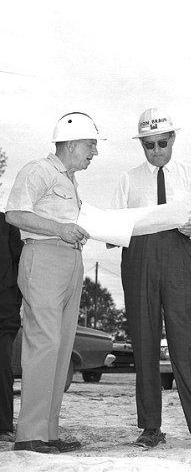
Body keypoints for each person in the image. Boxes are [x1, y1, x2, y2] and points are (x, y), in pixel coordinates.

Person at [110, 108, 191, 448]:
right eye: (148, 145)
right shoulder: (128, 178)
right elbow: (114, 228)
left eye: (161, 143)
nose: (156, 151)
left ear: (173, 138)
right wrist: (107, 229)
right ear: (141, 145)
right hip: (139, 256)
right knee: (143, 340)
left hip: (180, 254)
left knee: (187, 341)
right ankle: (150, 427)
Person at [5, 112, 102, 453]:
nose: (94, 152)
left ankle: (48, 433)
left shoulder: (69, 181)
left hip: (69, 260)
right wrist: (60, 229)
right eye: (91, 145)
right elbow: (15, 214)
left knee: (61, 349)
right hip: (43, 258)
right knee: (43, 344)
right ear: (72, 143)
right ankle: (29, 435)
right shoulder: (38, 170)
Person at [0, 212, 23, 443]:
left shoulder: (8, 224)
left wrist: (14, 303)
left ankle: (3, 426)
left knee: (2, 368)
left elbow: (21, 267)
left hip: (3, 315)